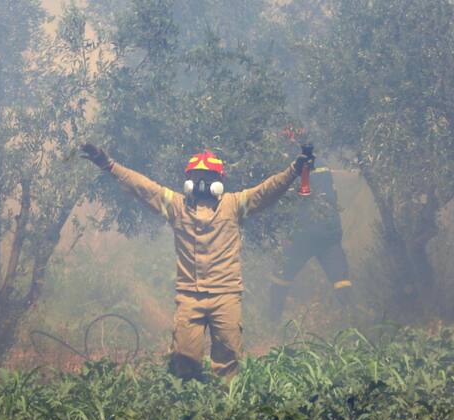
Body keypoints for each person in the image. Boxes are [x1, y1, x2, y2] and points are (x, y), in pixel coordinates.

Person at [81, 143, 313, 382]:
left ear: (218, 181)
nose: (202, 184)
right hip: (189, 296)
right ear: (188, 180)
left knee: (228, 361)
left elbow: (267, 191)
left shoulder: (234, 205)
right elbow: (143, 187)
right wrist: (109, 166)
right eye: (197, 178)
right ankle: (189, 406)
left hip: (226, 295)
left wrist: (294, 170)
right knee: (185, 359)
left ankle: (226, 409)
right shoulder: (176, 206)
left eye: (208, 178)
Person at [268, 164, 354, 322]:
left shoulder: (294, 167)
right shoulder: (320, 167)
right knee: (341, 279)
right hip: (327, 236)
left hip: (305, 238)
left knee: (280, 278)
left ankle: (272, 322)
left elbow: (290, 202)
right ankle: (353, 323)